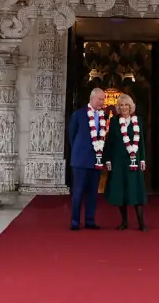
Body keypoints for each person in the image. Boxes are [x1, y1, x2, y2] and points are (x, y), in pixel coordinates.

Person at [105, 93, 148, 230]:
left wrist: (142, 159)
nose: (124, 107)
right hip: (118, 160)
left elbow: (140, 141)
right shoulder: (114, 122)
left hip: (133, 161)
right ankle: (124, 222)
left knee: (135, 189)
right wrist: (108, 160)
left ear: (131, 106)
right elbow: (109, 142)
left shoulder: (138, 121)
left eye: (126, 105)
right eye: (121, 105)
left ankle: (141, 223)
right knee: (120, 190)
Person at [67, 88, 107, 231]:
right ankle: (75, 221)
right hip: (80, 160)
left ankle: (90, 220)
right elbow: (72, 136)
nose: (102, 102)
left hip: (96, 160)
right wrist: (80, 150)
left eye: (103, 99)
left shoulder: (103, 115)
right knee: (78, 191)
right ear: (92, 98)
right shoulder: (79, 114)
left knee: (93, 192)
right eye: (100, 99)